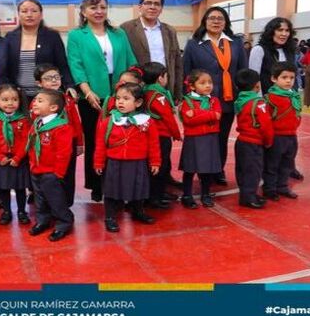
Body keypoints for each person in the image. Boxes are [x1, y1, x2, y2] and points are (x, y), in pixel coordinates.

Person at [67, 0, 137, 201]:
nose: (98, 12)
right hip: (92, 95)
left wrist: (127, 88)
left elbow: (131, 60)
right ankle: (97, 185)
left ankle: (118, 183)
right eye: (93, 8)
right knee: (95, 141)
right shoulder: (77, 35)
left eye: (103, 7)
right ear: (83, 11)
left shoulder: (119, 34)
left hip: (120, 93)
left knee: (120, 139)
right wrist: (87, 92)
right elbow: (76, 65)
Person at [183, 6, 248, 185]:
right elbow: (187, 72)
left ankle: (218, 170)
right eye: (212, 18)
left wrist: (244, 95)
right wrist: (188, 97)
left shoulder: (235, 43)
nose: (216, 21)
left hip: (228, 99)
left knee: (221, 137)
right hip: (202, 101)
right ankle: (202, 170)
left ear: (226, 22)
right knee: (202, 137)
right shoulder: (194, 44)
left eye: (220, 18)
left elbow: (243, 71)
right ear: (205, 21)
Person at [94, 82, 160, 232]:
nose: (120, 102)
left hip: (137, 162)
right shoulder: (109, 121)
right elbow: (100, 144)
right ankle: (110, 217)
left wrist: (155, 162)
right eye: (118, 98)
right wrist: (98, 163)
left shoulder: (147, 121)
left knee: (138, 188)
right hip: (114, 163)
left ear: (138, 102)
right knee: (111, 191)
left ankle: (138, 211)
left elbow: (154, 144)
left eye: (125, 98)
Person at [32, 63, 84, 207]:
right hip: (46, 144)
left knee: (67, 175)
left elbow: (76, 122)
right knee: (48, 176)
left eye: (56, 77)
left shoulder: (67, 99)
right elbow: (34, 126)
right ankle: (47, 205)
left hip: (68, 144)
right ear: (39, 83)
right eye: (48, 78)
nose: (54, 80)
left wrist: (79, 143)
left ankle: (65, 205)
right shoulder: (37, 102)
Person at [5, 0, 74, 103]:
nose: (29, 15)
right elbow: (7, 68)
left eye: (34, 11)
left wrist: (69, 85)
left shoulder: (52, 36)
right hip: (18, 96)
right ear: (18, 15)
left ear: (41, 15)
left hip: (48, 94)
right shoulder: (10, 37)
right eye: (24, 11)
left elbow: (62, 65)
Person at [27, 89, 74, 242]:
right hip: (36, 169)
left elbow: (64, 153)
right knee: (39, 199)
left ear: (53, 108)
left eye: (40, 101)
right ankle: (43, 220)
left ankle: (64, 223)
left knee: (56, 199)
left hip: (52, 172)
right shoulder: (37, 122)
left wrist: (58, 174)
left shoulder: (61, 127)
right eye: (35, 100)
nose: (35, 103)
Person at [120, 0, 184, 99]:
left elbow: (177, 63)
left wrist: (178, 93)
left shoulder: (170, 30)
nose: (152, 7)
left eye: (157, 4)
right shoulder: (126, 28)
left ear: (161, 9)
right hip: (137, 86)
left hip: (165, 85)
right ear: (140, 7)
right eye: (148, 3)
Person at [0, 84, 31, 225]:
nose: (10, 103)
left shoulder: (24, 120)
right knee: (3, 188)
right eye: (5, 100)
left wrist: (18, 157)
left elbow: (26, 140)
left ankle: (22, 211)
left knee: (20, 188)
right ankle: (6, 211)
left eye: (14, 99)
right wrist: (0, 157)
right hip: (1, 160)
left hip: (18, 160)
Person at [178, 70, 222, 209]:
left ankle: (206, 194)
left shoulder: (214, 100)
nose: (208, 85)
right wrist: (209, 114)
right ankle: (187, 195)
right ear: (192, 86)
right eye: (202, 83)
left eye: (210, 82)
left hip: (210, 139)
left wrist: (197, 114)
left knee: (206, 170)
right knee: (190, 169)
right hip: (193, 139)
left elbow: (218, 116)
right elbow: (188, 120)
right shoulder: (187, 101)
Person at [141, 62, 181, 208]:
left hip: (150, 135)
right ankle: (155, 197)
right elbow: (168, 117)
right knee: (160, 166)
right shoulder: (158, 96)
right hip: (161, 135)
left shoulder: (145, 91)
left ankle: (160, 192)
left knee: (157, 165)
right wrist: (176, 134)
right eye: (166, 76)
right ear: (160, 78)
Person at [233, 69, 274, 209]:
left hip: (241, 141)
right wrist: (269, 141)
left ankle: (246, 193)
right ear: (257, 85)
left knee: (242, 169)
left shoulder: (240, 100)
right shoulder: (258, 102)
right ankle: (248, 197)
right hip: (254, 142)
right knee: (253, 170)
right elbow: (266, 124)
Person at [262, 62, 301, 201]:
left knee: (287, 164)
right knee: (272, 164)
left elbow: (297, 114)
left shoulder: (294, 96)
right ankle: (269, 188)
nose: (288, 81)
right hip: (276, 136)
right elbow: (265, 120)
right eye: (284, 77)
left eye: (291, 77)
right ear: (274, 79)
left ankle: (282, 186)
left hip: (292, 135)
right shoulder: (270, 98)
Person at [248, 17, 297, 94]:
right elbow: (254, 79)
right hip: (266, 98)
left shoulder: (289, 50)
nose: (284, 34)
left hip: (287, 98)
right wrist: (259, 100)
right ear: (271, 32)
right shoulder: (259, 49)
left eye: (287, 30)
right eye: (280, 30)